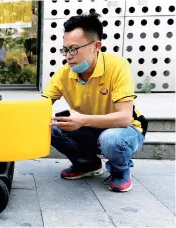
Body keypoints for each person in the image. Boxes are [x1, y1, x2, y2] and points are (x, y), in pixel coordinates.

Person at [42, 13, 148, 192]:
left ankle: (120, 171)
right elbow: (41, 106)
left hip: (125, 130)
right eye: (65, 50)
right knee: (50, 127)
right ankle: (88, 164)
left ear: (96, 46)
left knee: (110, 139)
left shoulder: (117, 66)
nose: (68, 56)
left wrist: (82, 120)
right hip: (89, 128)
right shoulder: (63, 74)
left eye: (74, 49)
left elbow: (124, 118)